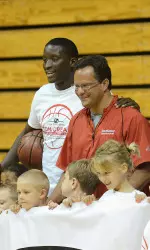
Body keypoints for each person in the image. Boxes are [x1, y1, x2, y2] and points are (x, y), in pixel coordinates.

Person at [1, 38, 140, 196]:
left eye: (54, 59)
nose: (47, 65)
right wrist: (3, 166)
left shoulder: (92, 98)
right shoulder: (42, 94)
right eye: (44, 60)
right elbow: (28, 132)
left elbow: (113, 112)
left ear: (72, 61)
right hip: (51, 185)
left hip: (88, 189)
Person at [55, 55, 150, 202]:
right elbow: (67, 172)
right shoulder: (76, 121)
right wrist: (46, 205)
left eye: (85, 86)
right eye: (77, 87)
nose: (80, 92)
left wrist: (113, 202)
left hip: (121, 212)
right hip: (85, 212)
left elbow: (145, 169)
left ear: (104, 84)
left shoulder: (131, 117)